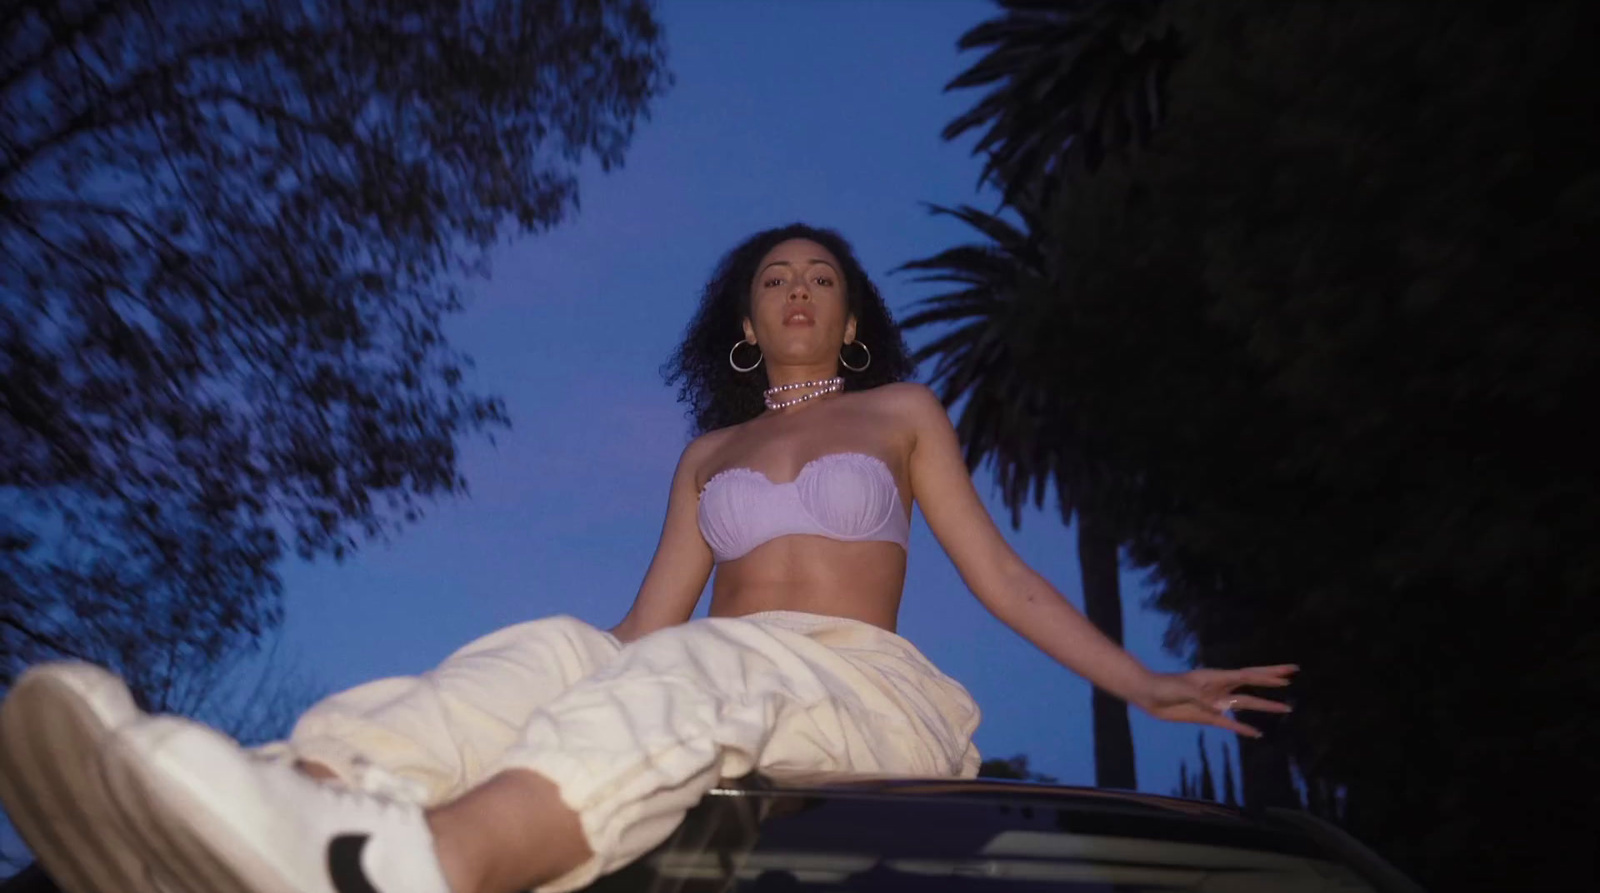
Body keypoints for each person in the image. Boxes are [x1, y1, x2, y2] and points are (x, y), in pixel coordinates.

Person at [0, 224, 1296, 893]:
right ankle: (299, 790)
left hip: (855, 688)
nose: (799, 291)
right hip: (706, 663)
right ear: (747, 319)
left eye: (824, 281)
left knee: (696, 674)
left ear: (850, 323)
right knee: (557, 646)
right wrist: (561, 664)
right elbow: (639, 630)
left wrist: (1143, 683)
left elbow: (1001, 578)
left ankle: (421, 869)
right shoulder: (706, 453)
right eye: (777, 279)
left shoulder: (903, 416)